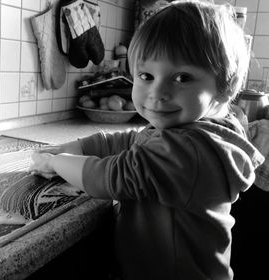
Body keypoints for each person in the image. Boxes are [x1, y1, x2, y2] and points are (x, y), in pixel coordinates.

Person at [29, 0, 265, 279]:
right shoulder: (190, 132)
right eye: (146, 75)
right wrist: (80, 146)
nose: (157, 92)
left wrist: (58, 162)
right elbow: (133, 141)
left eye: (182, 77)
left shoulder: (192, 149)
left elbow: (114, 176)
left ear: (224, 87)